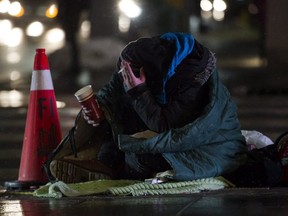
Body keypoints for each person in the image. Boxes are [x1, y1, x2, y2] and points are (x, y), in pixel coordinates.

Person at [44, 32, 265, 185]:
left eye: (128, 72)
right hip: (160, 133)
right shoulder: (144, 62)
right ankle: (99, 164)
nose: (124, 75)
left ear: (151, 72)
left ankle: (107, 166)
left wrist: (139, 92)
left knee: (140, 158)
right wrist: (95, 111)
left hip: (209, 146)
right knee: (112, 120)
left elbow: (168, 127)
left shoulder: (190, 78)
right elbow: (110, 94)